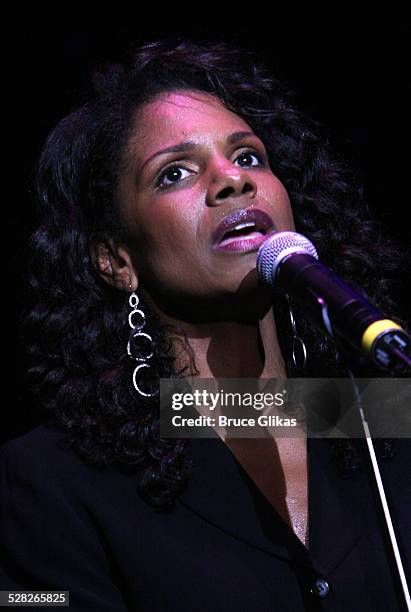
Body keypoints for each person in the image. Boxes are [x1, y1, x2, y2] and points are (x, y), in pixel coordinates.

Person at [0, 38, 410, 611]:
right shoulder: (52, 480)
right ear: (117, 261)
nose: (232, 181)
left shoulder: (379, 420)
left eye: (248, 158)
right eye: (174, 174)